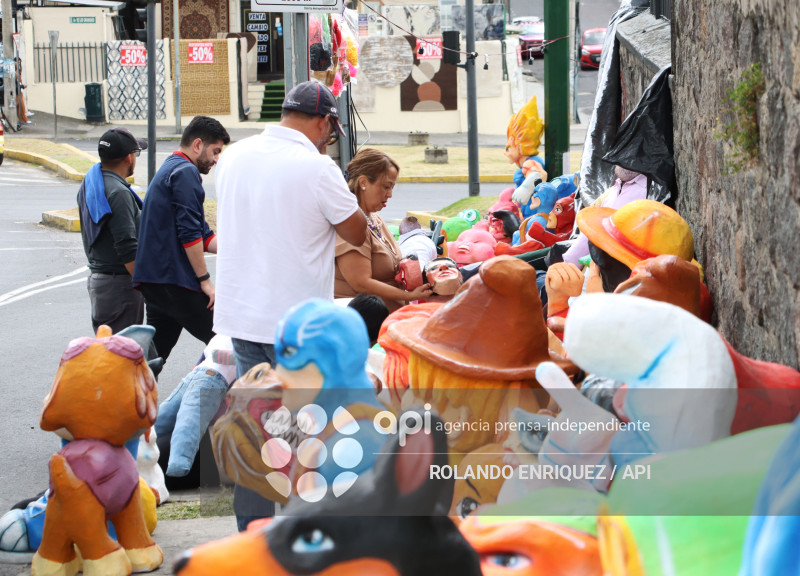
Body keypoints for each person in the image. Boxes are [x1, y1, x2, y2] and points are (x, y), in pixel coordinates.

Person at [214, 80, 366, 378]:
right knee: (299, 417)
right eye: (332, 133)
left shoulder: (232, 156)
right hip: (296, 324)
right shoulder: (319, 168)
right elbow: (357, 233)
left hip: (241, 316)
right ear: (325, 123)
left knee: (256, 413)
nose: (328, 140)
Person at [133, 115, 230, 361]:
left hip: (156, 282)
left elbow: (203, 235)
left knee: (153, 358)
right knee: (226, 342)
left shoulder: (172, 167)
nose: (217, 159)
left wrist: (241, 246)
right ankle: (198, 399)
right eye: (215, 151)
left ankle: (127, 398)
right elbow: (189, 235)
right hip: (174, 281)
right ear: (197, 145)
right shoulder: (186, 172)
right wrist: (205, 281)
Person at [334, 148, 433, 312]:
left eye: (392, 187)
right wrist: (409, 296)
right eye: (386, 186)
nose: (390, 194)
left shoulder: (374, 218)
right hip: (365, 325)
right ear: (363, 182)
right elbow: (361, 283)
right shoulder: (350, 224)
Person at [77, 127, 148, 333]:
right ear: (129, 157)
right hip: (120, 287)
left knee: (110, 353)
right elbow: (127, 246)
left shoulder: (93, 183)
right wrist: (146, 286)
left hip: (102, 282)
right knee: (120, 357)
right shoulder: (118, 192)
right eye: (136, 153)